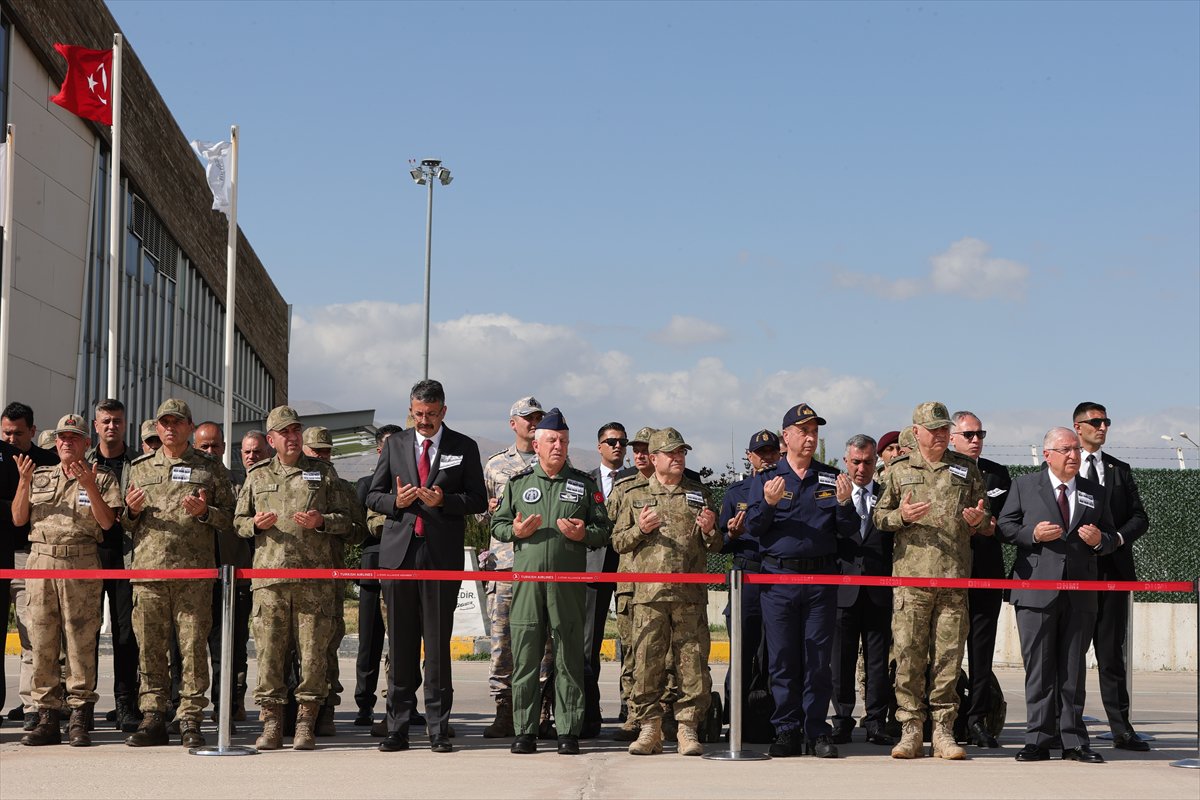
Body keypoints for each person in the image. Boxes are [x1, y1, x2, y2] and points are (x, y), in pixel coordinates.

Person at [366, 379, 487, 754]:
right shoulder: (396, 444)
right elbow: (373, 493)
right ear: (411, 410)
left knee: (436, 647)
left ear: (443, 412)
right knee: (400, 646)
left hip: (439, 557)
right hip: (399, 556)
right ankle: (398, 727)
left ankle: (437, 728)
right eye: (418, 414)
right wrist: (395, 502)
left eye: (431, 415)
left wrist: (444, 501)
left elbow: (478, 500)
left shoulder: (463, 447)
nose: (424, 421)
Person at [491, 408, 611, 755]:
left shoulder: (583, 485)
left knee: (569, 657)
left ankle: (568, 731)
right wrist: (513, 530)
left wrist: (583, 532)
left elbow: (604, 530)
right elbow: (497, 525)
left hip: (567, 586)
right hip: (527, 584)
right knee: (526, 657)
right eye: (552, 440)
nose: (559, 446)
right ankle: (525, 730)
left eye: (564, 440)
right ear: (538, 444)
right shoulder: (519, 484)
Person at [873, 402, 988, 760]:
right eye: (933, 429)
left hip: (954, 583)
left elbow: (985, 522)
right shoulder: (898, 470)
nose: (940, 434)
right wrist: (901, 516)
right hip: (911, 583)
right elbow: (878, 517)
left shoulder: (966, 469)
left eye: (944, 429)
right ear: (917, 431)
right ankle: (910, 730)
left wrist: (977, 521)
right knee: (908, 657)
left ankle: (943, 732)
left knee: (948, 661)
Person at [235, 405, 352, 751]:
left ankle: (305, 723)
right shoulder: (256, 475)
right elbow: (237, 521)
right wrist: (254, 524)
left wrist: (323, 521)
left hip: (313, 582)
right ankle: (271, 723)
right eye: (284, 432)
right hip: (269, 583)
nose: (292, 437)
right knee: (270, 656)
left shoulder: (323, 473)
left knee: (314, 656)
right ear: (271, 439)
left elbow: (348, 521)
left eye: (296, 431)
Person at [997, 427, 1117, 764]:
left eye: (1077, 449)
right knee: (1039, 667)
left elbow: (1109, 536)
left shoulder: (1095, 491)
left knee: (1072, 669)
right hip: (1035, 591)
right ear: (1047, 454)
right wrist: (1032, 534)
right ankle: (1037, 739)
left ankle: (1074, 741)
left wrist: (1099, 542)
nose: (1074, 455)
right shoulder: (1024, 485)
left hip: (1080, 594)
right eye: (1066, 449)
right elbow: (1005, 527)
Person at [742, 404, 856, 758]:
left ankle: (817, 730)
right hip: (779, 579)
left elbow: (849, 531)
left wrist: (844, 503)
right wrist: (769, 503)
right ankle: (787, 730)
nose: (810, 438)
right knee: (783, 659)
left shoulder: (830, 477)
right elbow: (753, 529)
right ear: (785, 437)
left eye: (814, 432)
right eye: (803, 431)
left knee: (818, 659)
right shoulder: (767, 479)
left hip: (821, 579)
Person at [122, 400, 236, 749]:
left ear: (189, 426)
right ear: (157, 428)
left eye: (177, 422)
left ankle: (190, 718)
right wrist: (131, 510)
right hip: (150, 575)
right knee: (151, 651)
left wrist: (205, 512)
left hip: (193, 576)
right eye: (164, 423)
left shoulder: (210, 467)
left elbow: (230, 517)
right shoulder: (139, 468)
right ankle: (154, 716)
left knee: (192, 650)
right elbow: (124, 524)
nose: (170, 428)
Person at [13, 414, 121, 747]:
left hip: (81, 560)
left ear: (87, 443)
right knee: (42, 640)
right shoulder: (40, 475)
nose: (66, 443)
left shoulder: (102, 478)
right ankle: (46, 715)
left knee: (80, 642)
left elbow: (107, 525)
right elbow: (19, 519)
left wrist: (89, 485)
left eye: (74, 438)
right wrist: (22, 482)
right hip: (42, 560)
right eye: (62, 438)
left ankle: (79, 716)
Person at [611, 427, 720, 757]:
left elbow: (715, 545)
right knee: (646, 665)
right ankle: (650, 728)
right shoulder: (634, 496)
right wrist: (640, 529)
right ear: (654, 458)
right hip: (649, 596)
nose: (678, 458)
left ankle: (687, 727)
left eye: (682, 453)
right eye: (671, 453)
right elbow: (617, 542)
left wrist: (711, 530)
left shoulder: (699, 494)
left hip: (689, 595)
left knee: (693, 665)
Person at [1073, 401, 1151, 751]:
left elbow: (1139, 517)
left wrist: (1115, 539)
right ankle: (1071, 727)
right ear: (1078, 427)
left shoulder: (1119, 470)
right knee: (1072, 655)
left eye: (1106, 422)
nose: (1103, 427)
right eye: (1096, 422)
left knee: (1111, 656)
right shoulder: (1065, 468)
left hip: (1114, 573)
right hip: (1075, 576)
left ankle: (1121, 729)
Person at [480, 396, 545, 738]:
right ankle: (504, 709)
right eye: (527, 418)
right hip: (505, 565)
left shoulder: (552, 462)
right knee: (502, 642)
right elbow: (478, 516)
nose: (533, 422)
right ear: (513, 423)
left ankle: (543, 711)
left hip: (542, 565)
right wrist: (489, 508)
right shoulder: (494, 466)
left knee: (544, 643)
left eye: (538, 417)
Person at [949, 410, 1011, 749]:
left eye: (980, 434)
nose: (976, 440)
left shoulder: (997, 473)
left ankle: (977, 720)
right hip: (949, 575)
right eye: (969, 434)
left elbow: (1005, 520)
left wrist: (986, 523)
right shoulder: (940, 471)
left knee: (982, 652)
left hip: (985, 573)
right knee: (945, 653)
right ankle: (945, 718)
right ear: (952, 437)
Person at [302, 425, 369, 736]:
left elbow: (358, 531)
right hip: (292, 578)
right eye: (316, 451)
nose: (322, 456)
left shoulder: (341, 487)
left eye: (327, 451)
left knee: (326, 647)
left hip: (328, 579)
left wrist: (326, 523)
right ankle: (295, 711)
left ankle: (326, 708)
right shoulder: (290, 481)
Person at [830, 434, 895, 747]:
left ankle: (875, 722)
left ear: (876, 462)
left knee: (877, 662)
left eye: (868, 462)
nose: (861, 468)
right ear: (846, 462)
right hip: (843, 591)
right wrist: (842, 504)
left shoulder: (887, 496)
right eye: (855, 462)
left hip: (879, 592)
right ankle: (842, 720)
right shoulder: (831, 497)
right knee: (840, 661)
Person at [2, 402, 61, 731]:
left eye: (18, 433)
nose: (11, 439)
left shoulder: (47, 462)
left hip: (28, 555)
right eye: (6, 432)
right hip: (1, 555)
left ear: (33, 431)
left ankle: (30, 705)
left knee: (31, 632)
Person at [84, 399, 141, 733]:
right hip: (91, 555)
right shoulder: (84, 463)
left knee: (125, 634)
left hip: (127, 555)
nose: (111, 426)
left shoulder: (138, 464)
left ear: (124, 424)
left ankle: (124, 702)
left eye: (117, 421)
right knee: (85, 632)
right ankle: (83, 704)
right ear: (96, 425)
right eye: (105, 421)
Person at [718, 429, 780, 728]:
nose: (767, 458)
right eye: (761, 453)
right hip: (748, 575)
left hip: (779, 576)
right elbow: (719, 542)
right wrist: (732, 532)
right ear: (749, 456)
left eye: (772, 452)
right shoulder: (737, 493)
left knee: (776, 654)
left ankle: (772, 719)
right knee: (742, 653)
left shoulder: (789, 488)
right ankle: (735, 719)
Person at [193, 420, 253, 723]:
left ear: (225, 448)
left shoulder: (239, 483)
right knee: (188, 647)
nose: (211, 451)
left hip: (231, 576)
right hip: (193, 578)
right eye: (204, 446)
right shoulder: (185, 481)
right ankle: (184, 706)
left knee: (228, 647)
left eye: (216, 445)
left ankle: (227, 704)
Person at [610, 425, 657, 740]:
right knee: (631, 651)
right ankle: (632, 715)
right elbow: (610, 525)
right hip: (631, 582)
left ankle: (662, 714)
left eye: (644, 449)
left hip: (666, 584)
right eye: (634, 449)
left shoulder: (680, 485)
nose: (638, 454)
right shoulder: (624, 486)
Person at [354, 423, 402, 728]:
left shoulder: (411, 483)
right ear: (378, 450)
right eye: (389, 447)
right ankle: (364, 704)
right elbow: (363, 527)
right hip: (374, 565)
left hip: (402, 570)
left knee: (401, 641)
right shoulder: (367, 484)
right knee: (369, 642)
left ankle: (398, 703)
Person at [582, 421, 627, 737]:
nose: (618, 446)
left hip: (628, 567)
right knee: (588, 642)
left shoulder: (637, 481)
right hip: (594, 567)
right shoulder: (584, 482)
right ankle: (588, 711)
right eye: (611, 441)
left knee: (634, 642)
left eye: (622, 441)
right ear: (599, 446)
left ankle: (631, 708)